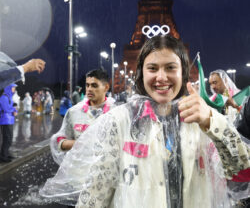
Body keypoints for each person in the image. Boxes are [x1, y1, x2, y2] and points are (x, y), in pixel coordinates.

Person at [40, 35, 250, 207]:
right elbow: (96, 191)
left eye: (170, 68)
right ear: (141, 73)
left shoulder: (204, 119)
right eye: (152, 68)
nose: (161, 77)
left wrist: (212, 122)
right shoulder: (118, 120)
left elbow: (241, 170)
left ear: (183, 72)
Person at [49, 69, 115, 165]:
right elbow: (60, 140)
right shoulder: (74, 112)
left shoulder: (116, 113)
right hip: (79, 173)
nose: (89, 89)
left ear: (106, 87)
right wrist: (81, 144)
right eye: (87, 85)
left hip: (106, 173)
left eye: (94, 85)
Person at [0, 83, 18, 163]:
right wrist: (13, 110)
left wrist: (15, 110)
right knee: (6, 138)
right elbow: (7, 109)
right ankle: (3, 156)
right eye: (13, 88)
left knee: (10, 138)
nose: (14, 89)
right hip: (5, 120)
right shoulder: (3, 97)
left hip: (10, 120)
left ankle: (6, 153)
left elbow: (12, 107)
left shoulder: (9, 97)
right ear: (9, 88)